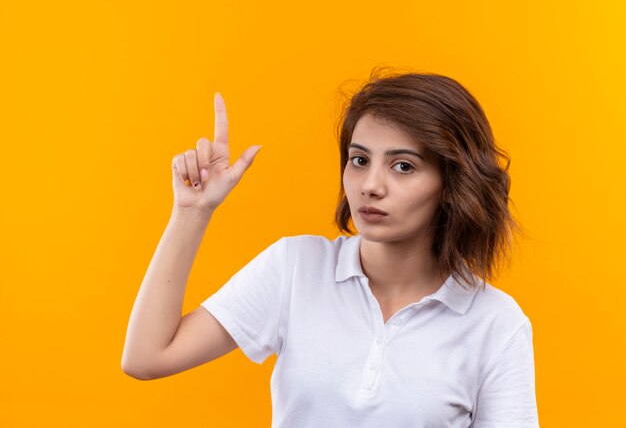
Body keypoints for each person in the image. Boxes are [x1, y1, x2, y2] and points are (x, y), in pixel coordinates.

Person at [122, 68, 539, 427]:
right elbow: (146, 358)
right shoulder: (296, 269)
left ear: (452, 182)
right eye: (359, 160)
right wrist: (192, 212)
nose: (370, 185)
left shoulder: (496, 325)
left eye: (403, 166)